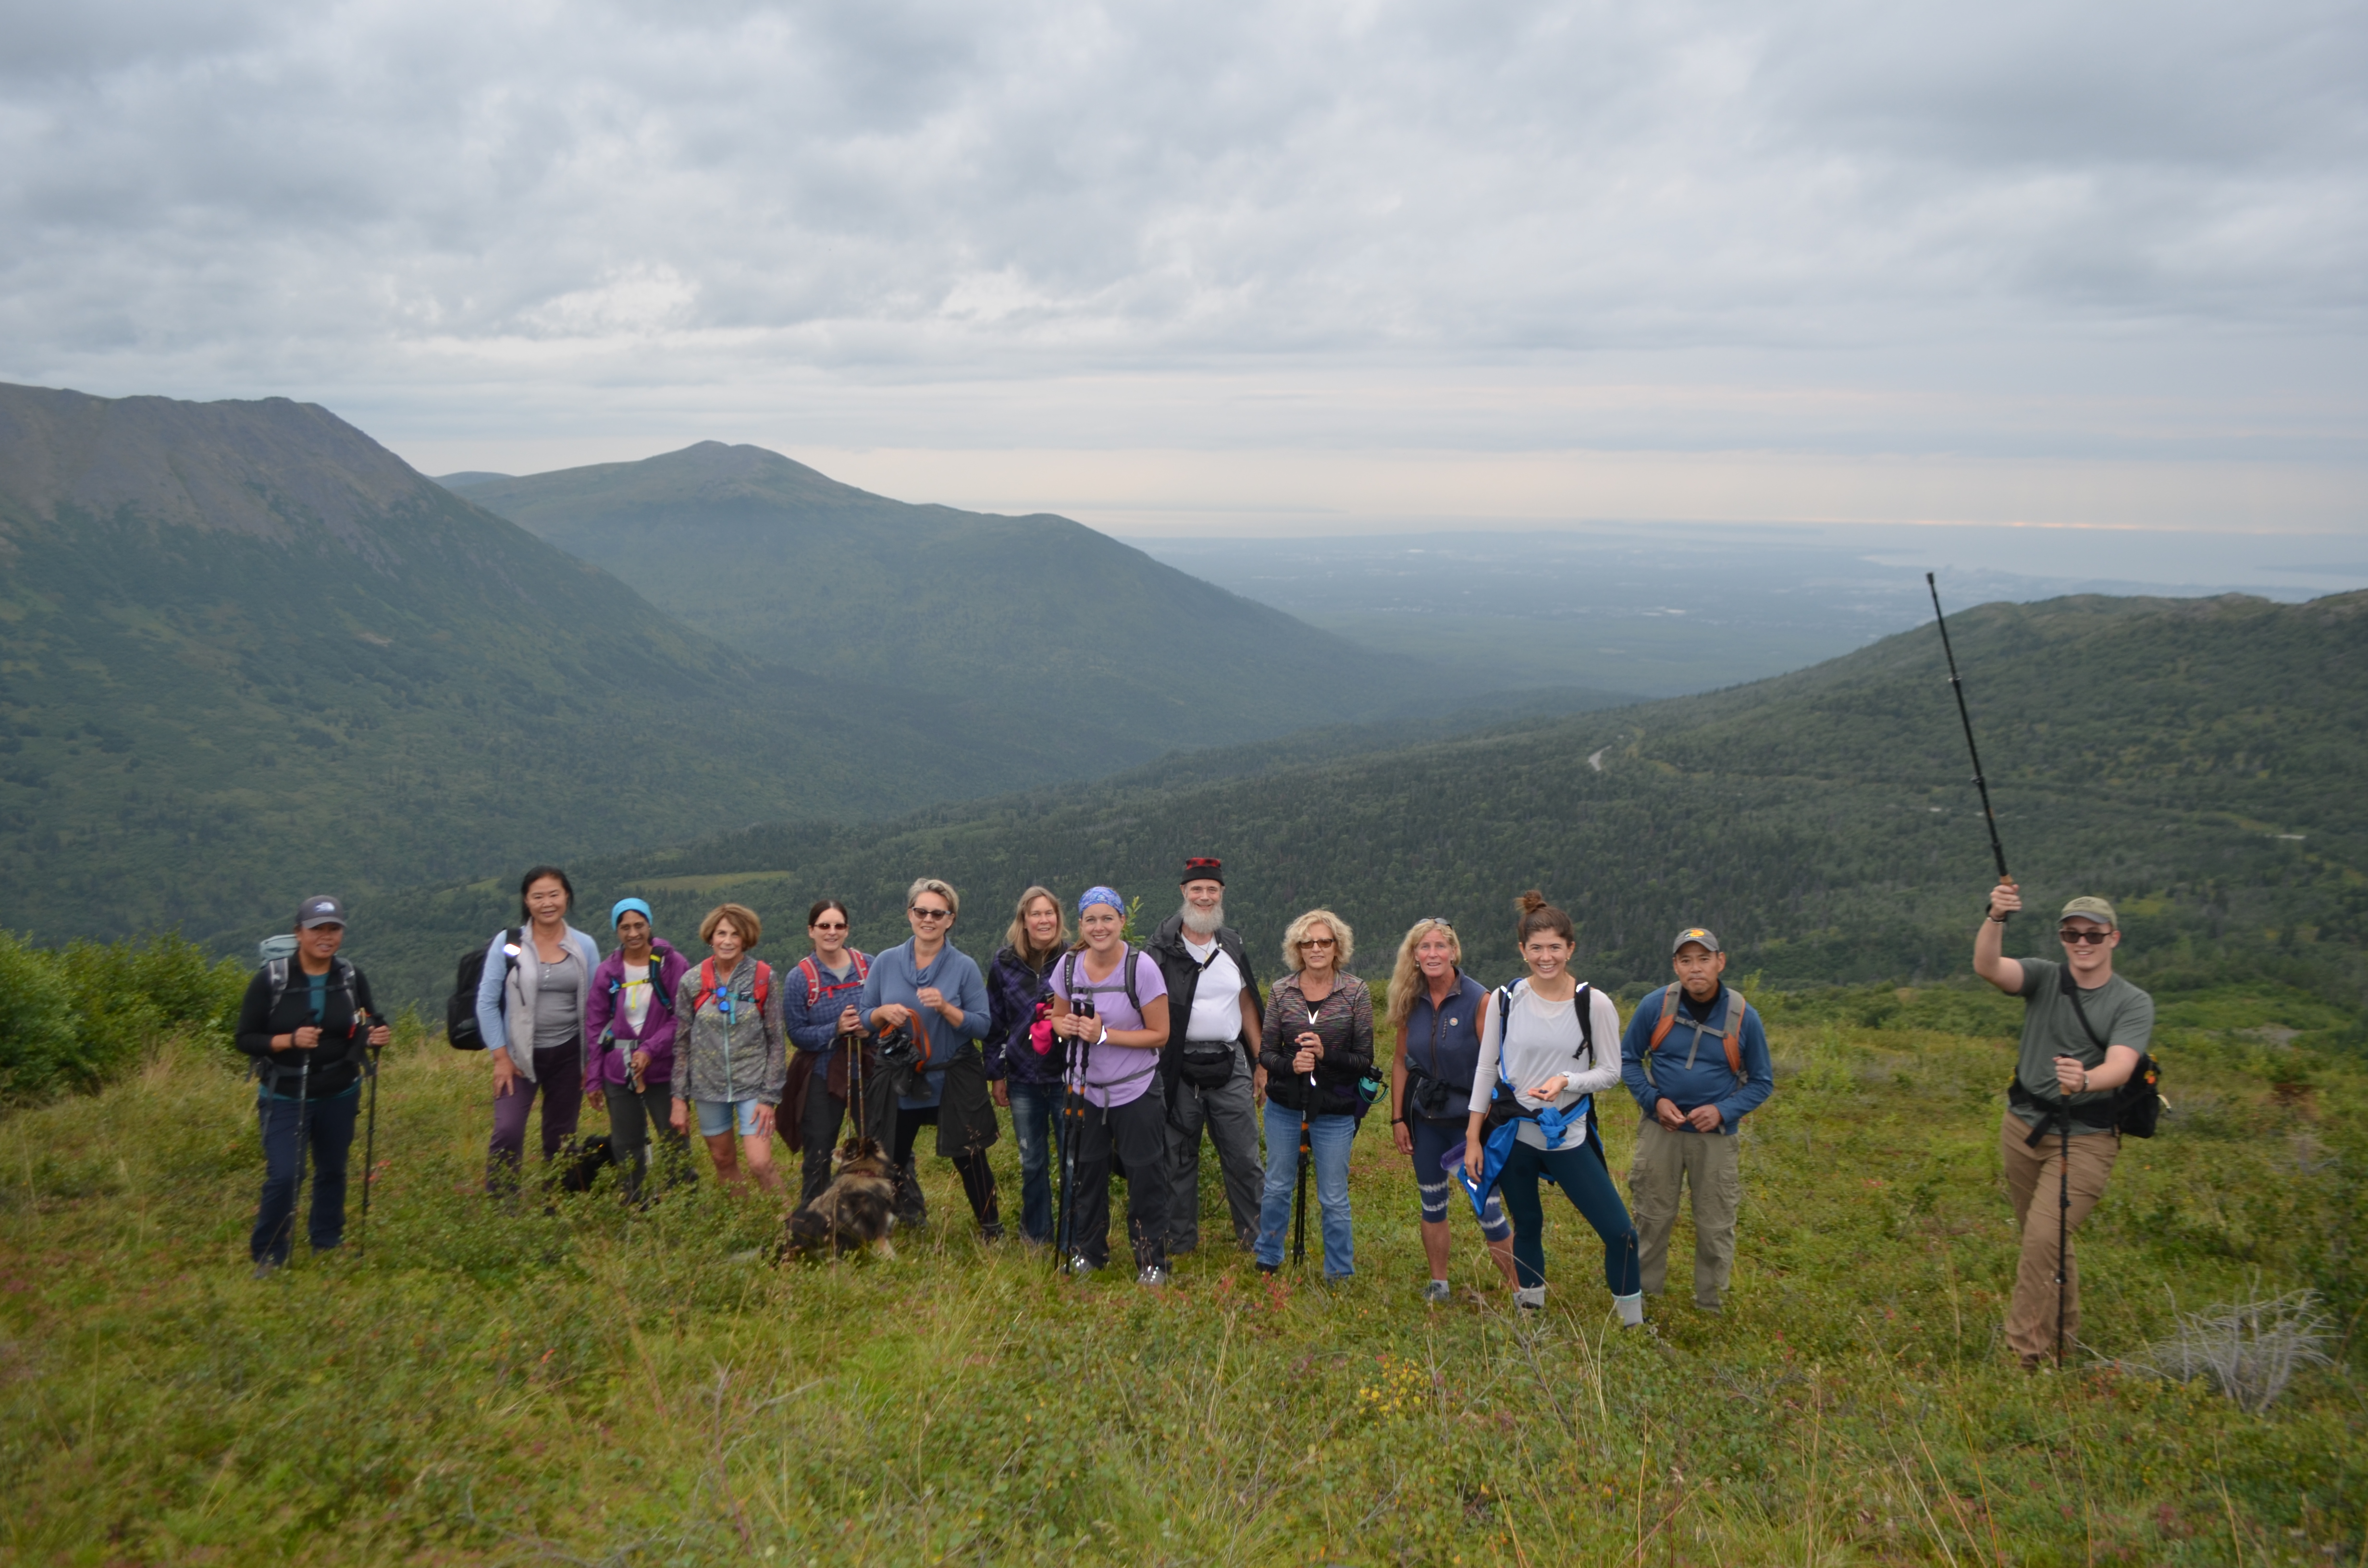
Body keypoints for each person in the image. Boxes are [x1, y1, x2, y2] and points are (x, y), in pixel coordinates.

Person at [1974, 884, 2153, 1370]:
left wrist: (2086, 1079)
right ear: (2061, 938)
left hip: (2086, 1140)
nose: (2082, 943)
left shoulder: (2131, 1003)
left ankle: (2024, 1356)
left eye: (2093, 934)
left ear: (2113, 938)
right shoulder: (2043, 977)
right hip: (2022, 1128)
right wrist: (1995, 917)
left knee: (2041, 1240)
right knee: (2046, 1239)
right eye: (2072, 934)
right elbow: (1988, 966)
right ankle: (2062, 1339)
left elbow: (2122, 1064)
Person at [1465, 891, 1640, 1322]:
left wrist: (1567, 1080)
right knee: (1527, 1224)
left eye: (1555, 948)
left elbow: (1611, 1072)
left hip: (1567, 1135)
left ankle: (1633, 1324)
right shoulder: (1506, 1000)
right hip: (1515, 1135)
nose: (1547, 958)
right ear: (1522, 950)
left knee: (1621, 1233)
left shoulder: (1593, 1004)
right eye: (1537, 948)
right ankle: (1529, 1313)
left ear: (1571, 949)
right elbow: (1486, 1068)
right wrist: (1472, 1138)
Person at [1617, 927, 1775, 1314]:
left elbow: (1762, 1082)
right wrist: (1654, 1101)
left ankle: (1711, 1305)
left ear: (1721, 962)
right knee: (1651, 1214)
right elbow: (1628, 1060)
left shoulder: (1743, 1016)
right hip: (1661, 1130)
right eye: (1686, 960)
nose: (1696, 969)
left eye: (1704, 959)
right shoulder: (1655, 1007)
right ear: (1676, 966)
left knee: (1716, 1221)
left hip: (1716, 1136)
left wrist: (1723, 1111)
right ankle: (1644, 1296)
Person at [235, 895, 392, 1274]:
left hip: (341, 1090)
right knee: (285, 1175)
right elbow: (245, 1038)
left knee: (333, 1170)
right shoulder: (272, 980)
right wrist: (288, 1040)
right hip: (285, 1093)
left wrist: (376, 1034)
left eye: (334, 929)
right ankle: (270, 1253)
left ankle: (327, 1241)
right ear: (298, 933)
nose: (326, 936)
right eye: (317, 929)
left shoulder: (350, 976)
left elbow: (367, 1019)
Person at [1045, 886, 1174, 1282]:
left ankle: (1152, 1261)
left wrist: (1105, 1035)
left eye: (1107, 919)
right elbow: (1057, 1018)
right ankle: (1090, 1252)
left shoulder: (1141, 968)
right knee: (1087, 1173)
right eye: (1091, 920)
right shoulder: (1069, 966)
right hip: (1083, 1087)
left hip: (1135, 1089)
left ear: (1122, 921)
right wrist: (1065, 1026)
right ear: (1081, 925)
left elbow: (1161, 1034)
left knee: (1145, 1176)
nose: (1099, 927)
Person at [861, 877, 1000, 1238]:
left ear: (950, 920)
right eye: (921, 911)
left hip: (951, 1075)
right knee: (889, 1155)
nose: (929, 919)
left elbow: (983, 1026)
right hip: (900, 1075)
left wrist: (947, 1009)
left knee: (969, 1156)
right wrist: (882, 1013)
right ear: (910, 914)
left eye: (938, 914)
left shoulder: (964, 967)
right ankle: (887, 1224)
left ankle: (991, 1227)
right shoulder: (886, 962)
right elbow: (864, 1016)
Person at [1386, 917, 1516, 1302]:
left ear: (1454, 952)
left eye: (1440, 946)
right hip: (1425, 1120)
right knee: (1432, 1204)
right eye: (1424, 947)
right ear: (1414, 955)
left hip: (1468, 1122)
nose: (1432, 954)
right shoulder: (1410, 999)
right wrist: (1398, 1118)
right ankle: (1439, 1284)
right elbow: (1400, 1061)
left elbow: (1497, 1067)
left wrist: (1480, 1131)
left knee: (1487, 1209)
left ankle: (1520, 1289)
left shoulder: (1480, 1000)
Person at [1148, 857, 1266, 1255]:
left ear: (1222, 893)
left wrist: (1261, 1062)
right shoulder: (1161, 949)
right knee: (1178, 1156)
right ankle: (1179, 1241)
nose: (1204, 896)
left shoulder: (1231, 944)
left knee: (1244, 1155)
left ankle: (1257, 1239)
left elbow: (1247, 1002)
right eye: (1197, 889)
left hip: (1231, 1062)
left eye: (1212, 889)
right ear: (1183, 892)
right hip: (1177, 1066)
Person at [1254, 909, 1375, 1280]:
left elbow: (1364, 1060)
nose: (1316, 949)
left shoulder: (1355, 992)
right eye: (1308, 943)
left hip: (1335, 1107)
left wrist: (1326, 1055)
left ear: (1338, 947)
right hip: (1284, 1104)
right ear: (1298, 949)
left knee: (1334, 1195)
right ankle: (1268, 1256)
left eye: (1324, 942)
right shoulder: (1281, 990)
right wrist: (1291, 1065)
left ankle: (1339, 1272)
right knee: (1277, 1185)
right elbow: (1266, 1053)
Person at [476, 866, 603, 1194]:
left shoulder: (584, 946)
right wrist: (501, 1058)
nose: (547, 903)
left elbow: (597, 1006)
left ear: (567, 897)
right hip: (518, 1056)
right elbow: (486, 1002)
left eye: (554, 895)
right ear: (526, 901)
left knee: (561, 1136)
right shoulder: (509, 944)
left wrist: (592, 1060)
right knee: (508, 1131)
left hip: (569, 1054)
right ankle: (502, 1206)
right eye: (538, 896)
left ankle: (556, 1202)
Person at [669, 903, 788, 1193]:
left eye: (735, 934)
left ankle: (789, 1218)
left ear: (746, 939)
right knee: (723, 1161)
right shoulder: (692, 981)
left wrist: (769, 1096)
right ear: (711, 936)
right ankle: (743, 1217)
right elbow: (682, 1042)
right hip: (708, 1087)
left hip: (753, 1085)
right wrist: (679, 1098)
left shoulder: (764, 978)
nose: (728, 941)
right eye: (721, 933)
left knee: (760, 1163)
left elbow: (776, 1040)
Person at [583, 898, 692, 1203]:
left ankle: (684, 1203)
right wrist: (594, 1079)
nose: (633, 933)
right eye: (625, 927)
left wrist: (649, 1050)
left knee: (674, 1137)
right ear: (616, 930)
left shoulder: (672, 964)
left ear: (649, 925)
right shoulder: (608, 972)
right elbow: (595, 1026)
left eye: (639, 926)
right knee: (626, 1142)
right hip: (618, 1071)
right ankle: (635, 1202)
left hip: (663, 1069)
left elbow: (682, 1017)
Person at [984, 887, 1070, 1246]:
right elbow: (995, 1023)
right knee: (1032, 1161)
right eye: (1036, 914)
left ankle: (1073, 1236)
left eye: (1049, 913)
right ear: (1024, 920)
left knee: (1072, 1161)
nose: (1044, 920)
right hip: (1021, 1077)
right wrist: (996, 1074)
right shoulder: (1004, 963)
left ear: (1058, 918)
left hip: (1067, 1075)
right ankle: (1037, 1235)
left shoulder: (1074, 959)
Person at [782, 899, 880, 1205]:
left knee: (882, 1146)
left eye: (839, 926)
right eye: (824, 926)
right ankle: (814, 1217)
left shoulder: (870, 966)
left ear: (847, 930)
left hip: (869, 1070)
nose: (832, 932)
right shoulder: (800, 978)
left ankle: (904, 1215)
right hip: (823, 1074)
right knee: (819, 1153)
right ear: (811, 931)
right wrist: (835, 1029)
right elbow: (796, 1034)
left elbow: (887, 1016)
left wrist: (869, 1029)